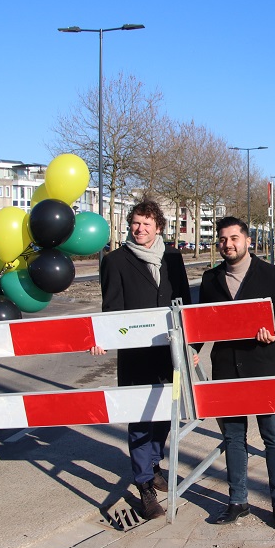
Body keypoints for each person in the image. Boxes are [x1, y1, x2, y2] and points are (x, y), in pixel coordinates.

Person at [92, 200, 191, 520]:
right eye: (135, 223)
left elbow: (184, 301)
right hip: (136, 355)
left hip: (170, 352)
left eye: (147, 224)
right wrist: (104, 337)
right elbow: (112, 307)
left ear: (158, 227)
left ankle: (153, 463)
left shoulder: (173, 257)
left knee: (166, 414)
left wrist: (192, 344)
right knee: (140, 418)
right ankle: (144, 485)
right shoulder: (116, 260)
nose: (140, 229)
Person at [198, 217, 275, 529]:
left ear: (248, 241)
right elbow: (203, 322)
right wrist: (192, 349)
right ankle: (237, 501)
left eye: (233, 238)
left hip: (263, 370)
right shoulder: (210, 279)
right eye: (222, 239)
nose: (227, 244)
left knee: (274, 439)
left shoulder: (271, 275)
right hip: (226, 370)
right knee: (233, 437)